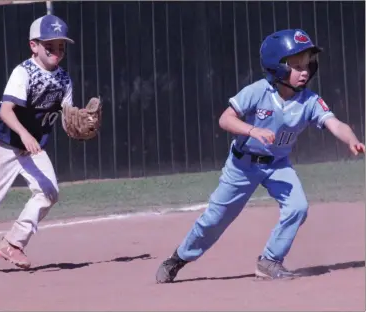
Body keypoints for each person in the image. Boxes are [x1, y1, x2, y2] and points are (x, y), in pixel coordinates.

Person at [155, 29, 365, 282]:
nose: (304, 71)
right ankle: (178, 258)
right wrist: (252, 130)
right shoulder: (259, 91)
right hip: (242, 165)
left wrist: (352, 140)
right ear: (276, 68)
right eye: (296, 66)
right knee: (214, 219)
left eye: (308, 64)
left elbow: (335, 123)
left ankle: (269, 261)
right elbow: (226, 119)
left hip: (278, 165)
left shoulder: (309, 100)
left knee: (298, 207)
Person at [0, 14, 75, 269]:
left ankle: (13, 243)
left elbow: (67, 115)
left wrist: (79, 122)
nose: (56, 50)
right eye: (49, 45)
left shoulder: (64, 80)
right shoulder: (24, 72)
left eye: (60, 45)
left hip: (33, 147)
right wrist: (25, 134)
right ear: (34, 45)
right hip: (5, 143)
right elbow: (5, 111)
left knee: (49, 191)